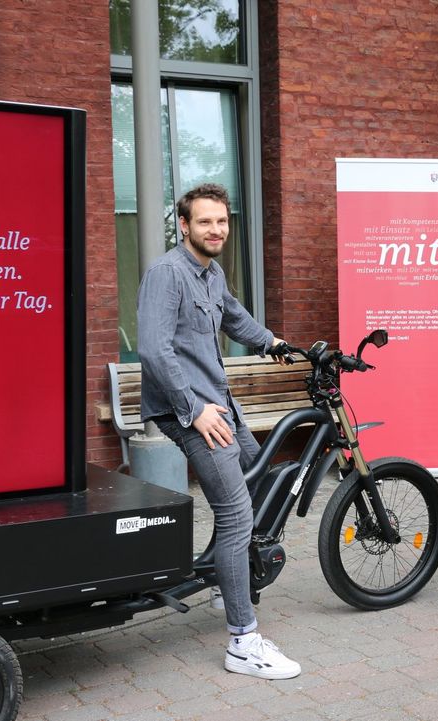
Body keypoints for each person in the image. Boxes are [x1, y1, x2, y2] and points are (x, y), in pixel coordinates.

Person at [137, 183, 301, 679]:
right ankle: (243, 642)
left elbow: (233, 315)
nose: (216, 230)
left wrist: (275, 343)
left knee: (263, 478)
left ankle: (220, 578)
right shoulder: (167, 273)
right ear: (183, 225)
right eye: (205, 221)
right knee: (236, 514)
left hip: (220, 407)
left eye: (222, 222)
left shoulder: (211, 273)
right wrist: (194, 409)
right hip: (192, 414)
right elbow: (153, 348)